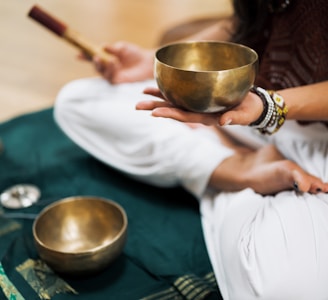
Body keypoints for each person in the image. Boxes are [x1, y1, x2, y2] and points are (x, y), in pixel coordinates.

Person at [54, 0, 328, 299]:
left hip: (311, 135)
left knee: (287, 290)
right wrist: (156, 64)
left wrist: (268, 107)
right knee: (77, 102)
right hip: (243, 107)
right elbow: (246, 21)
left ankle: (219, 171)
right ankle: (233, 168)